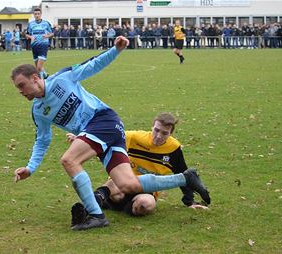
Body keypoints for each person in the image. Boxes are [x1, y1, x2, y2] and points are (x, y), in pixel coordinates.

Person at [11, 36, 210, 231]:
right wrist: (30, 168)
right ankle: (186, 178)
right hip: (101, 133)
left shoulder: (62, 79)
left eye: (22, 85)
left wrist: (116, 50)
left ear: (36, 78)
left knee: (69, 160)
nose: (20, 91)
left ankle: (96, 215)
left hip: (103, 120)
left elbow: (92, 65)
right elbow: (42, 139)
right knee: (128, 184)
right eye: (17, 88)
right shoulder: (38, 111)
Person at [68, 112, 209, 221]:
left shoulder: (173, 148)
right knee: (116, 184)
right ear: (152, 126)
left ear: (171, 134)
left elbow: (182, 174)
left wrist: (189, 201)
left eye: (164, 133)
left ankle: (111, 204)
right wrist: (81, 138)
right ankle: (90, 206)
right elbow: (107, 136)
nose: (158, 136)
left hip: (147, 191)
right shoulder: (134, 137)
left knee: (146, 205)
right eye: (156, 130)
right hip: (123, 183)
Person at [26, 7, 54, 78]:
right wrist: (31, 37)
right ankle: (45, 75)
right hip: (34, 46)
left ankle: (42, 82)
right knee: (38, 66)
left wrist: (47, 36)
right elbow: (27, 34)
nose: (37, 15)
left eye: (38, 14)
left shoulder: (46, 23)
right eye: (35, 14)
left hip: (43, 45)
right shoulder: (31, 24)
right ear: (33, 15)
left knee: (38, 68)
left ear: (41, 14)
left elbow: (52, 33)